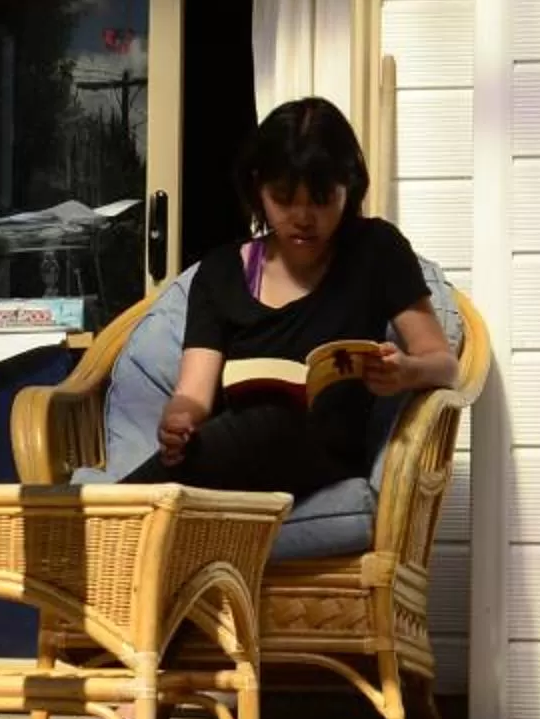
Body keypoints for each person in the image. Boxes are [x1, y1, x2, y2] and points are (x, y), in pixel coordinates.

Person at [132, 96, 459, 498]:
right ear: (258, 189)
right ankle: (110, 518)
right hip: (231, 458)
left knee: (270, 424)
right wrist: (178, 422)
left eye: (322, 200)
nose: (303, 217)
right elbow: (193, 392)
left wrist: (406, 371)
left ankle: (106, 516)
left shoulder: (377, 249)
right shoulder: (221, 272)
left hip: (322, 454)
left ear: (349, 187)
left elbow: (444, 365)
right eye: (284, 199)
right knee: (230, 434)